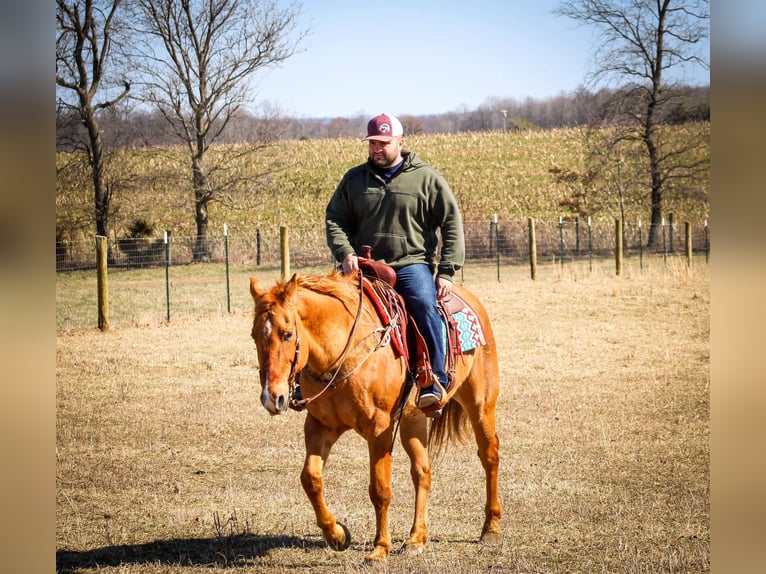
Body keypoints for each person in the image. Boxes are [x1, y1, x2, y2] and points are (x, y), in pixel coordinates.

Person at [325, 113, 465, 413]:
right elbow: (335, 219)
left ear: (401, 142)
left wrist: (447, 270)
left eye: (384, 143)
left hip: (410, 263)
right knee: (323, 306)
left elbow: (451, 222)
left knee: (424, 305)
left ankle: (433, 380)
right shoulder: (354, 179)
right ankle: (311, 380)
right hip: (363, 265)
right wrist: (345, 253)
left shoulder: (426, 178)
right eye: (373, 142)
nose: (377, 149)